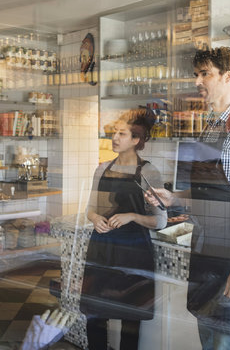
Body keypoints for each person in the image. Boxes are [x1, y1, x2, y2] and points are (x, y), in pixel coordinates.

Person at [146, 47, 230, 350]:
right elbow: (209, 193)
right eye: (196, 74)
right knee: (207, 340)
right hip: (205, 253)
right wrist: (173, 198)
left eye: (205, 73)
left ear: (227, 76)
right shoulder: (211, 125)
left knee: (227, 343)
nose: (197, 81)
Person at [83, 109, 167, 350]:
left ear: (136, 140)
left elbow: (160, 220)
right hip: (102, 250)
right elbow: (90, 208)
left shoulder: (148, 172)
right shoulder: (101, 169)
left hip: (133, 254)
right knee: (95, 318)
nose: (115, 138)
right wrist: (95, 218)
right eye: (114, 133)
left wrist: (131, 216)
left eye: (122, 133)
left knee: (131, 320)